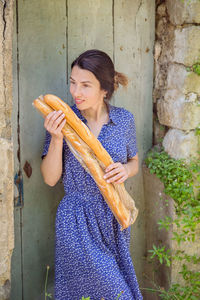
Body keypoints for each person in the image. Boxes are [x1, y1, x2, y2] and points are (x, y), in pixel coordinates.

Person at [40, 49, 143, 300]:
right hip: (75, 219)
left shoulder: (124, 120)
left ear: (104, 89)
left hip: (113, 217)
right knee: (117, 294)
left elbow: (134, 162)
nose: (76, 92)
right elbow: (50, 178)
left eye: (85, 85)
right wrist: (56, 138)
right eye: (73, 83)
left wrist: (125, 171)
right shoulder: (63, 121)